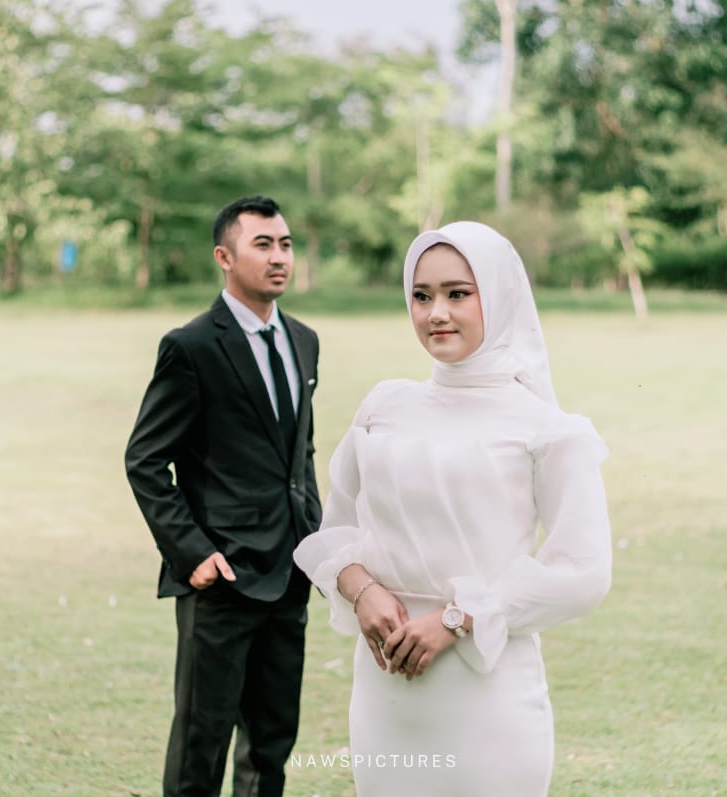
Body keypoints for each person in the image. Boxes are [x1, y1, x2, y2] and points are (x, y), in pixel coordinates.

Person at [293, 220, 612, 796]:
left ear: (500, 297)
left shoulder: (546, 428)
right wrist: (362, 590)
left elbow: (584, 571)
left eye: (457, 293)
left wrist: (458, 619)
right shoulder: (383, 407)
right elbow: (335, 528)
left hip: (487, 695)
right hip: (386, 694)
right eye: (422, 296)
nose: (436, 313)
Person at [125, 195, 321, 797]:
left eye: (285, 244)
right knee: (200, 744)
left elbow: (299, 455)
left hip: (290, 573)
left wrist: (315, 536)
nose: (279, 257)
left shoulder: (305, 341)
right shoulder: (191, 347)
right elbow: (145, 459)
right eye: (262, 244)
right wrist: (193, 554)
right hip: (222, 578)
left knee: (271, 743)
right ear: (224, 257)